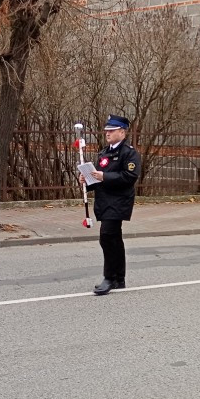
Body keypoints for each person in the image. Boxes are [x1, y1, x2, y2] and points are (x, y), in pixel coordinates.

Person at [82, 114, 141, 296]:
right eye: (106, 130)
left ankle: (108, 277)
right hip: (104, 201)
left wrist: (104, 176)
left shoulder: (129, 153)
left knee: (106, 236)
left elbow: (130, 177)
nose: (107, 133)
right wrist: (87, 179)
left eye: (112, 130)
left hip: (119, 201)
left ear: (122, 132)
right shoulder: (104, 152)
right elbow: (98, 178)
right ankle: (119, 278)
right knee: (114, 239)